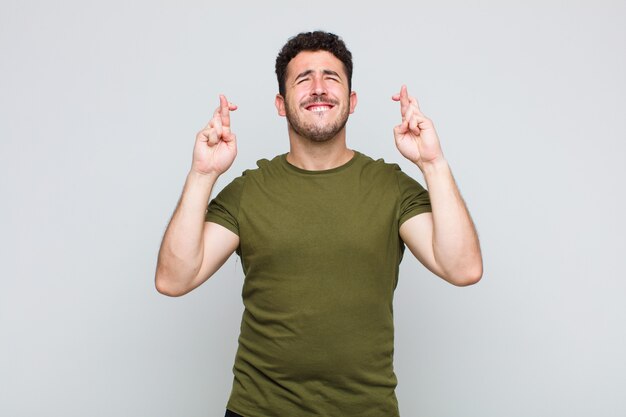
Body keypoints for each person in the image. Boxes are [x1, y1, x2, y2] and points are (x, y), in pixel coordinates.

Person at [155, 31, 482, 417]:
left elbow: (462, 268)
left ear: (352, 100)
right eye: (303, 78)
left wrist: (433, 163)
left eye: (331, 77)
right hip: (259, 410)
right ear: (281, 104)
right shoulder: (250, 190)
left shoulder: (390, 186)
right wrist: (202, 174)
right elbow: (174, 279)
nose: (318, 88)